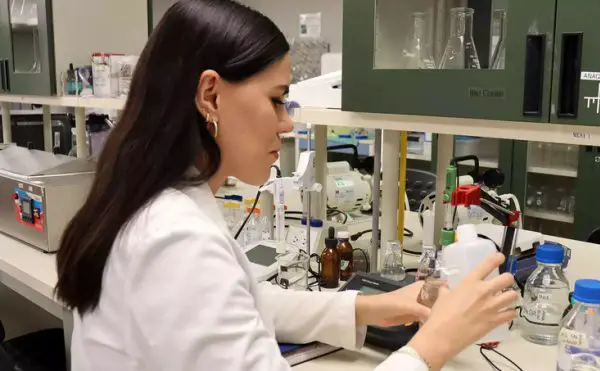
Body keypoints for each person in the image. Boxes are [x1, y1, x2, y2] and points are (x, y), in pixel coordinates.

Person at [55, 1, 518, 370]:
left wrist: (366, 308)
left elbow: (243, 303)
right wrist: (433, 347)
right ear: (210, 95)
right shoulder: (176, 240)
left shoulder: (150, 202)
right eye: (277, 100)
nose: (287, 124)